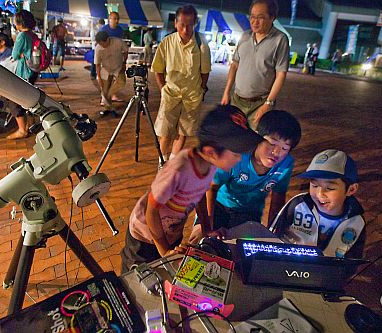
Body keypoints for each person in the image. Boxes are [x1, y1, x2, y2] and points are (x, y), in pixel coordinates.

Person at [120, 105, 263, 273]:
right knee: (139, 277)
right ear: (211, 152)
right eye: (235, 154)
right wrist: (165, 252)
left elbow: (200, 195)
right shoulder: (179, 170)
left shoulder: (209, 167)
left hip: (171, 232)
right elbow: (151, 211)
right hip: (145, 235)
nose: (239, 159)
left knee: (167, 273)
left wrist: (206, 228)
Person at [189, 110, 301, 243]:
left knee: (244, 252)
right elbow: (211, 188)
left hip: (248, 213)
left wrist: (272, 233)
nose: (276, 152)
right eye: (272, 143)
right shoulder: (237, 154)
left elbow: (278, 198)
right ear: (258, 137)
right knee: (200, 241)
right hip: (218, 206)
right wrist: (207, 227)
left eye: (284, 148)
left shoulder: (286, 164)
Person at [270, 150, 365, 258]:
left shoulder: (356, 222)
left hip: (326, 273)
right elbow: (271, 235)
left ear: (351, 189)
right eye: (314, 185)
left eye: (330, 188)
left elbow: (353, 260)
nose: (319, 194)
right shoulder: (298, 205)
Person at [152, 5, 211, 163]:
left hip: (191, 96)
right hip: (171, 93)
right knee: (165, 131)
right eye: (182, 25)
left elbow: (205, 71)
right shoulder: (167, 42)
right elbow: (157, 69)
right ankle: (162, 162)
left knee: (183, 131)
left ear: (195, 24)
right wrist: (162, 88)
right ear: (176, 23)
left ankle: (172, 162)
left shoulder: (201, 43)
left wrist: (201, 90)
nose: (186, 29)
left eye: (190, 25)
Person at [221, 0, 289, 130]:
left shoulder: (280, 40)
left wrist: (268, 103)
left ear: (272, 17)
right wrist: (226, 92)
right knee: (235, 136)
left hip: (260, 103)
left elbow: (281, 74)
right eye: (252, 16)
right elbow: (234, 65)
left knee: (255, 140)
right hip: (237, 100)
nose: (254, 21)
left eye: (260, 17)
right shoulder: (245, 36)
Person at [8, 10, 38, 139]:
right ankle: (31, 124)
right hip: (33, 71)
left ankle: (22, 130)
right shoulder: (33, 35)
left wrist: (20, 54)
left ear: (19, 22)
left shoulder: (22, 36)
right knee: (28, 97)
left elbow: (14, 55)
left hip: (24, 72)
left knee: (15, 99)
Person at [94, 31, 128, 117]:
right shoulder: (98, 48)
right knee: (104, 89)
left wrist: (124, 63)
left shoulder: (118, 42)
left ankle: (109, 95)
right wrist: (99, 78)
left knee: (121, 82)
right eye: (100, 44)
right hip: (106, 69)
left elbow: (126, 51)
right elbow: (97, 64)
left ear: (107, 40)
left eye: (103, 44)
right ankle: (108, 108)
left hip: (118, 67)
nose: (102, 46)